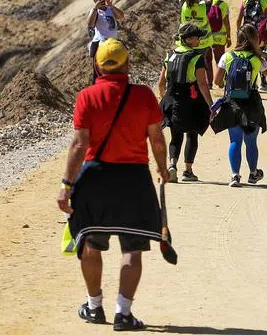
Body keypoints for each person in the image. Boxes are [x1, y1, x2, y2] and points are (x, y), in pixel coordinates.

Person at [61, 38, 167, 332]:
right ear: (127, 64)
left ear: (97, 65)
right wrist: (162, 167)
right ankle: (123, 313)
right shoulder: (145, 96)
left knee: (91, 242)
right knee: (132, 247)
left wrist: (66, 184)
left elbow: (79, 145)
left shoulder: (86, 97)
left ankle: (94, 307)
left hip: (96, 179)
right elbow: (156, 138)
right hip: (134, 179)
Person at [212, 26, 267, 187]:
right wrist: (266, 56)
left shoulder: (227, 56)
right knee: (251, 141)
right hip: (251, 103)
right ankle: (253, 173)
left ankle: (235, 175)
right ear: (255, 39)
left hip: (232, 103)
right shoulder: (257, 59)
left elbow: (217, 81)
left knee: (235, 140)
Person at [157, 23, 214, 184]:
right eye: (198, 37)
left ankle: (172, 165)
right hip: (191, 101)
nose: (200, 39)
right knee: (192, 134)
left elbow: (161, 83)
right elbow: (202, 84)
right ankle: (188, 171)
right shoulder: (197, 58)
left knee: (175, 136)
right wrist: (211, 105)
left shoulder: (169, 55)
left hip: (172, 99)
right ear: (189, 39)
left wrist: (165, 99)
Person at [178, 0, 214, 77]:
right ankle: (201, 83)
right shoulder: (203, 8)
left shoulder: (184, 6)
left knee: (189, 65)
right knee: (199, 65)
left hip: (186, 43)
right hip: (202, 43)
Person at [87, 0, 124, 77]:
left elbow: (121, 16)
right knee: (100, 72)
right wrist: (96, 8)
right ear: (94, 0)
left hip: (114, 43)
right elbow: (90, 23)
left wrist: (112, 6)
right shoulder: (95, 11)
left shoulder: (110, 9)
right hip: (102, 45)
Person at [206, 0, 230, 65]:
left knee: (208, 63)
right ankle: (221, 78)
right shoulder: (223, 5)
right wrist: (229, 37)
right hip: (220, 37)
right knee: (220, 62)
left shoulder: (203, 4)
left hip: (207, 37)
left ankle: (210, 78)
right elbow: (226, 22)